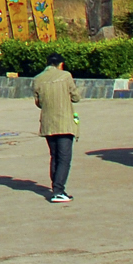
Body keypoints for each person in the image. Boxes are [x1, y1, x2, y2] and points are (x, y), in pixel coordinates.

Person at [32, 52, 81, 203]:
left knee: (55, 156)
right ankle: (58, 190)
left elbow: (38, 102)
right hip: (64, 122)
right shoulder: (65, 76)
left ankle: (56, 188)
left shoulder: (38, 79)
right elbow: (76, 97)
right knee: (64, 158)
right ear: (60, 64)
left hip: (48, 122)